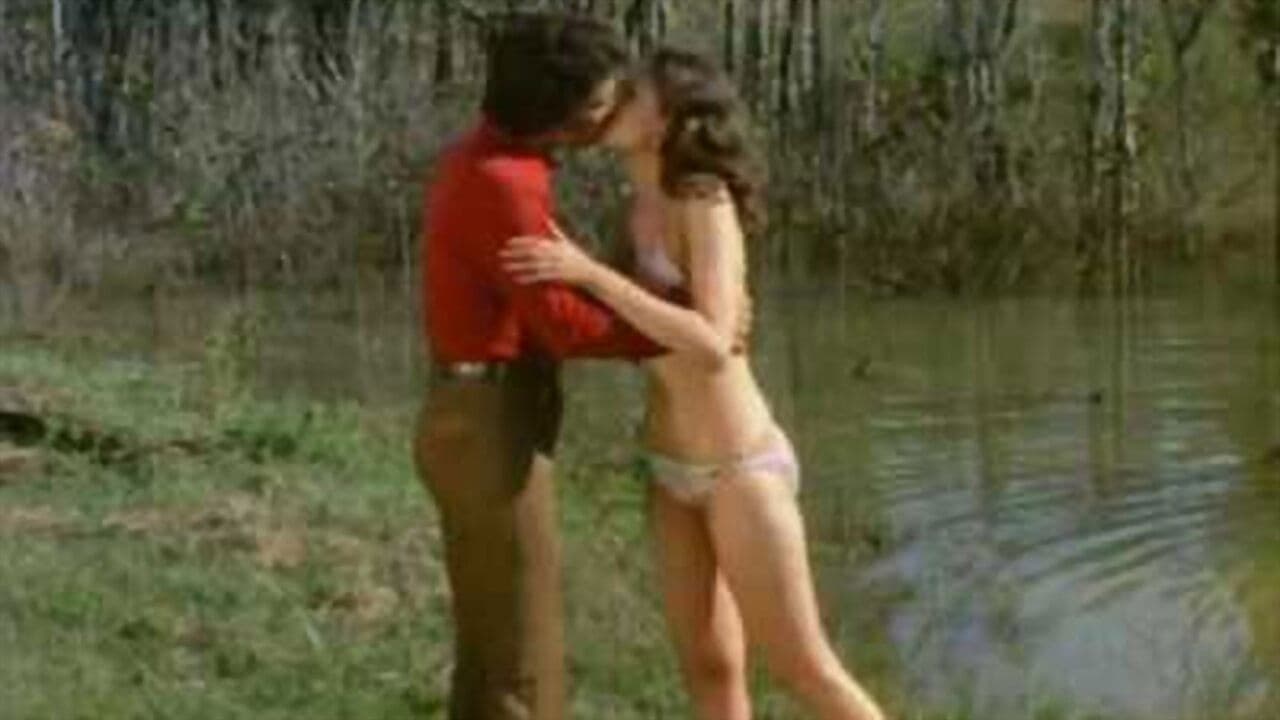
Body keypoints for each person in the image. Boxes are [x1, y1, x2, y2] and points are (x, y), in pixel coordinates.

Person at [501, 49, 889, 720]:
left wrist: (590, 275)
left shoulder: (703, 199)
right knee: (710, 671)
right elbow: (635, 326)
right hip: (668, 468)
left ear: (670, 117)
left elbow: (711, 343)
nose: (617, 100)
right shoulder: (636, 208)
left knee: (805, 669)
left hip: (739, 467)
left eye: (635, 93)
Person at [414, 13, 663, 720]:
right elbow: (564, 326)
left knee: (486, 648)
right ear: (551, 110)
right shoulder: (507, 183)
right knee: (523, 654)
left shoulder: (479, 160)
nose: (605, 117)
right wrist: (672, 331)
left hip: (464, 411)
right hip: (491, 421)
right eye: (596, 105)